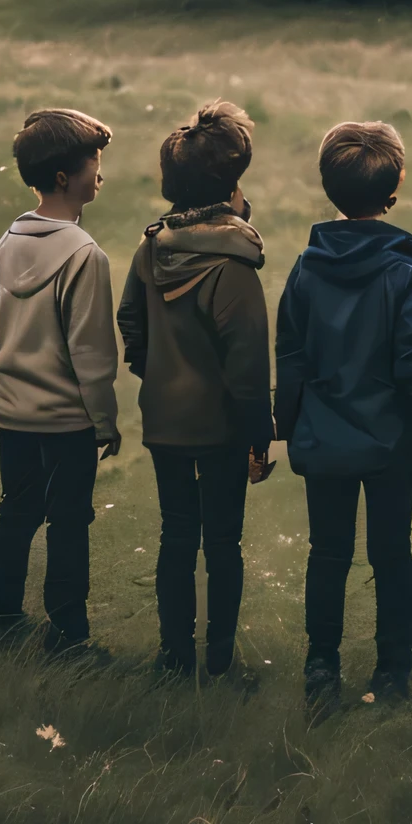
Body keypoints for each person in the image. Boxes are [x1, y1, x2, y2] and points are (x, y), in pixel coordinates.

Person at [275, 121, 412, 710]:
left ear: (329, 187)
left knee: (326, 554)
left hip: (324, 439)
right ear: (396, 186)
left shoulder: (305, 270)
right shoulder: (404, 274)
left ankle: (321, 666)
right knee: (391, 554)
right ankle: (392, 674)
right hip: (389, 442)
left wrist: (284, 428)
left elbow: (292, 358)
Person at [116, 100, 273, 680]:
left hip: (165, 421)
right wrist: (260, 434)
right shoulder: (234, 266)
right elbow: (249, 362)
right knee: (223, 542)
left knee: (176, 534)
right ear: (232, 184)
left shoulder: (150, 248)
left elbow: (129, 323)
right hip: (224, 427)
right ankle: (221, 660)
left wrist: (156, 375)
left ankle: (174, 657)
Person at [0, 107, 120, 662]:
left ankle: (4, 623)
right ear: (66, 177)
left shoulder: (7, 242)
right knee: (69, 524)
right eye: (94, 162)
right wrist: (104, 421)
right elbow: (91, 353)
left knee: (15, 512)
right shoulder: (85, 255)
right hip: (66, 420)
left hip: (11, 412)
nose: (100, 173)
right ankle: (67, 636)